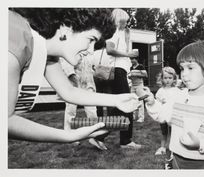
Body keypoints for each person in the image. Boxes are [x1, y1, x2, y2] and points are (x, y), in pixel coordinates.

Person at [8, 8, 140, 143]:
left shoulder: (47, 53)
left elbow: (69, 91)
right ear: (67, 29)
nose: (90, 50)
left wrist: (117, 100)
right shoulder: (13, 38)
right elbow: (6, 120)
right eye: (91, 40)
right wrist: (69, 136)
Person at [144, 40, 204, 169]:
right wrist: (152, 102)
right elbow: (162, 114)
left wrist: (201, 143)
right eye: (182, 68)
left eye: (190, 67)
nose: (184, 74)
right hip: (176, 160)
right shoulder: (179, 97)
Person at [105, 8, 141, 149]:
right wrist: (128, 54)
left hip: (120, 71)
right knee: (127, 105)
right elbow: (109, 49)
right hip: (118, 71)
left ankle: (99, 136)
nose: (126, 23)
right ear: (119, 19)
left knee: (117, 108)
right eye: (125, 20)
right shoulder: (114, 32)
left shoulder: (119, 32)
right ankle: (126, 141)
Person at [60, 56, 107, 150]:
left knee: (92, 111)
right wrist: (72, 78)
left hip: (89, 85)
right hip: (73, 86)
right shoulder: (71, 51)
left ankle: (95, 137)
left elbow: (91, 69)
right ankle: (69, 136)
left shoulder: (89, 54)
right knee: (71, 110)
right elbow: (66, 66)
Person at [154, 66, 180, 157]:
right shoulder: (160, 91)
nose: (168, 80)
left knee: (174, 132)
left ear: (174, 79)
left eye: (170, 78)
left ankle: (174, 149)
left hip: (173, 116)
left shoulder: (176, 91)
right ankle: (163, 148)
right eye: (165, 78)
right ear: (162, 79)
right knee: (164, 133)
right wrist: (161, 103)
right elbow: (157, 103)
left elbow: (178, 102)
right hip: (163, 115)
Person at [129, 56, 147, 122]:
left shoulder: (141, 66)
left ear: (136, 59)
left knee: (140, 101)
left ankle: (141, 117)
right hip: (133, 85)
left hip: (139, 85)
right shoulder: (131, 68)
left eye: (132, 59)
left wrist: (136, 75)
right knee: (132, 100)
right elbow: (131, 76)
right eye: (130, 59)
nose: (131, 61)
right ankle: (133, 116)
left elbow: (145, 75)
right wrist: (130, 76)